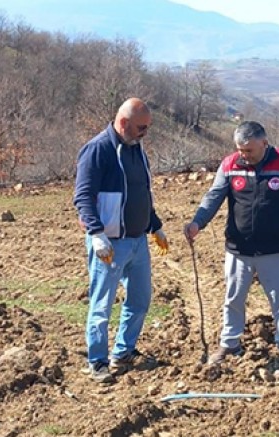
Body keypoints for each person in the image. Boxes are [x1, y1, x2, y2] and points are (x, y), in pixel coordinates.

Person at [184, 120, 279, 365]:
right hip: (238, 248)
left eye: (249, 150)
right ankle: (230, 344)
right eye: (240, 150)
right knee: (233, 298)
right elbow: (213, 197)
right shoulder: (230, 165)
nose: (244, 155)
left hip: (276, 248)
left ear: (264, 143)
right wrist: (197, 222)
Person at [73, 97, 169, 384]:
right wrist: (96, 233)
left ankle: (123, 351)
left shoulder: (136, 150)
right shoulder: (97, 150)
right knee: (102, 304)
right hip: (110, 244)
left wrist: (155, 226)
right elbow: (83, 196)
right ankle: (98, 361)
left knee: (140, 299)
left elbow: (142, 192)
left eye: (148, 128)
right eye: (141, 127)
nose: (145, 133)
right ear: (124, 122)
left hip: (138, 241)